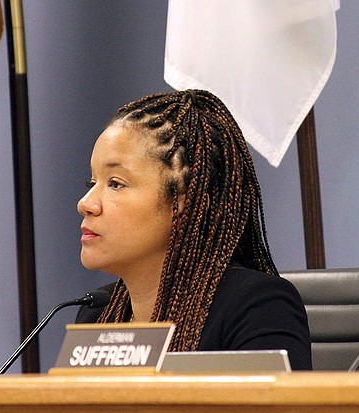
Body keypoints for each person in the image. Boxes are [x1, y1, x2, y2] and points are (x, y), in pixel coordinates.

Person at [75, 89, 312, 370]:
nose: (86, 203)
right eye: (93, 183)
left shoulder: (257, 308)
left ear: (185, 201)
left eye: (115, 183)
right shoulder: (98, 313)